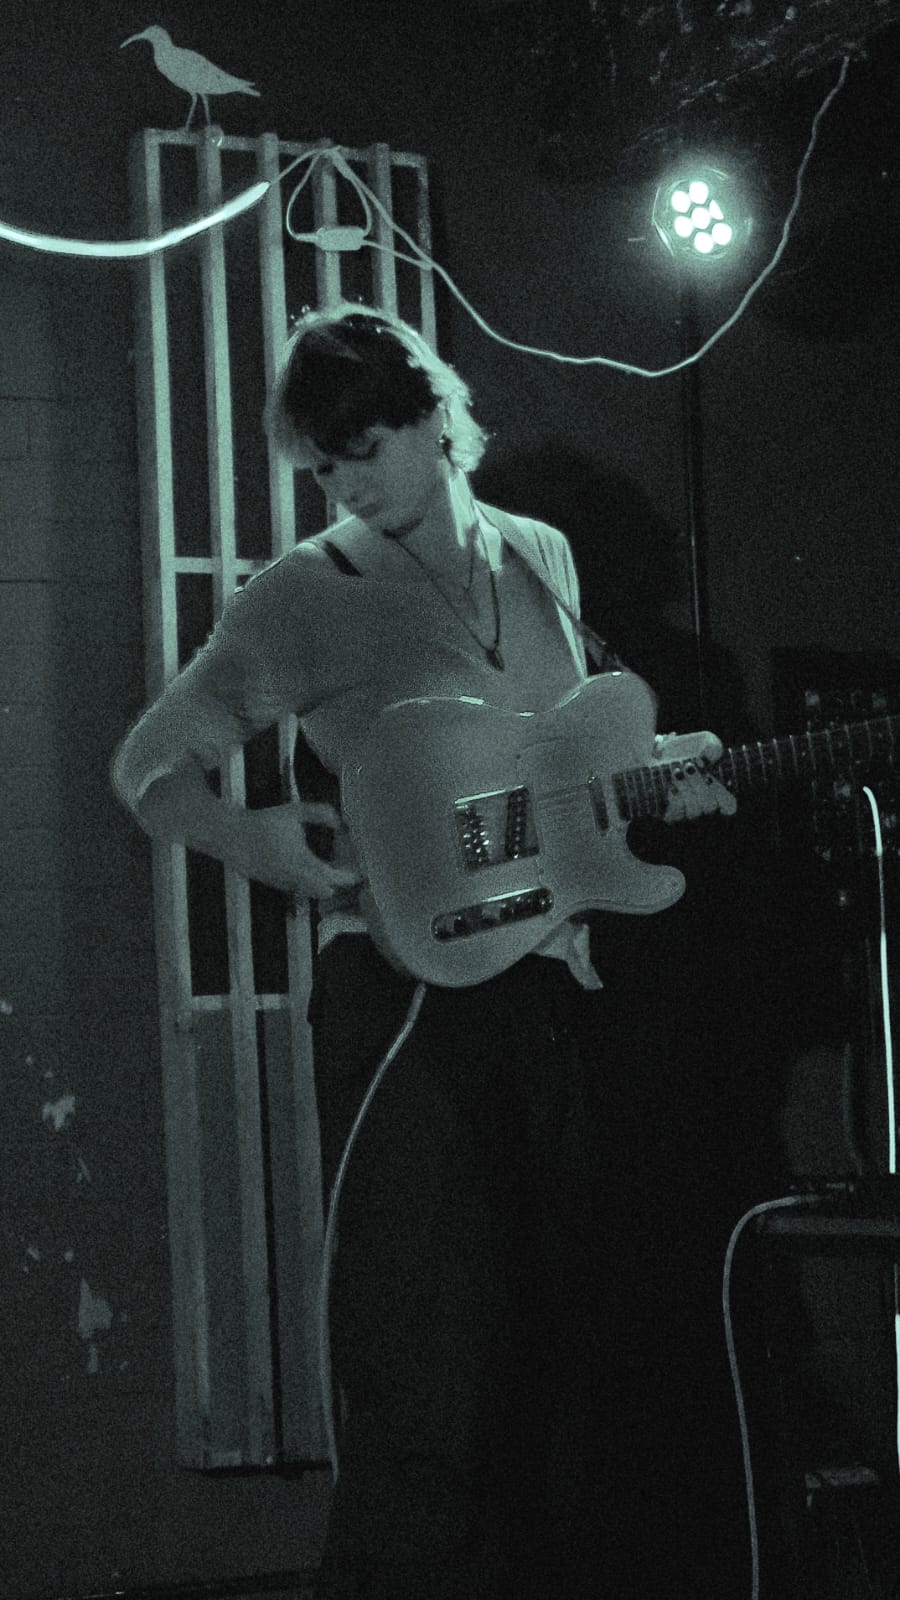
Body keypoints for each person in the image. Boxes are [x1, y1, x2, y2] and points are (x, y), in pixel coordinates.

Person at [112, 303, 736, 1600]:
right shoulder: (300, 594)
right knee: (423, 1368)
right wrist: (253, 838)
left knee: (557, 1367)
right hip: (400, 995)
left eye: (365, 453)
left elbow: (566, 760)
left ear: (436, 419)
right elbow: (151, 768)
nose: (346, 488)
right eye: (323, 468)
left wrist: (659, 774)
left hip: (550, 985)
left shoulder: (543, 556)